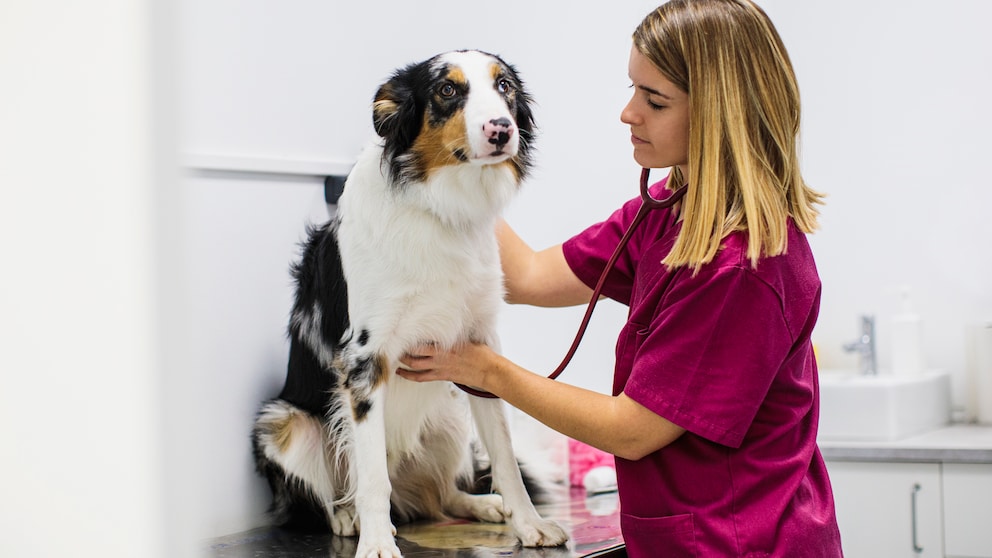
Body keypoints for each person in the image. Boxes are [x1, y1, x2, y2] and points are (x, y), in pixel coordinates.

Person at [397, 0, 844, 555]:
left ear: (718, 114)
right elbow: (531, 274)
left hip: (745, 542)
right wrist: (450, 162)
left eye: (653, 100)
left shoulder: (742, 266)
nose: (628, 113)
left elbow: (632, 430)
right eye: (634, 90)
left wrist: (485, 369)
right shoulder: (664, 215)